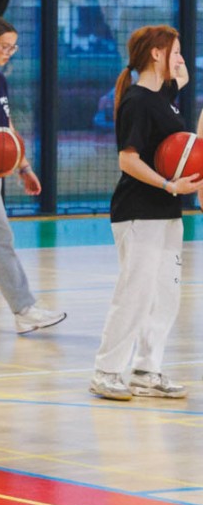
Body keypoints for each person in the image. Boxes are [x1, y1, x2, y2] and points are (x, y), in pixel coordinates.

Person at [90, 25, 195, 401]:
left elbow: (181, 76)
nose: (181, 59)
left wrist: (175, 58)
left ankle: (146, 371)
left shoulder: (164, 95)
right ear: (156, 53)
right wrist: (169, 185)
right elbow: (127, 160)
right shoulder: (137, 101)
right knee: (135, 293)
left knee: (165, 294)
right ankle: (106, 371)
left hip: (167, 212)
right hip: (138, 211)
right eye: (175, 51)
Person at [0, 17, 64, 334]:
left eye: (13, 47)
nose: (9, 52)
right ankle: (24, 309)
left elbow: (7, 129)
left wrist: (24, 166)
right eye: (4, 46)